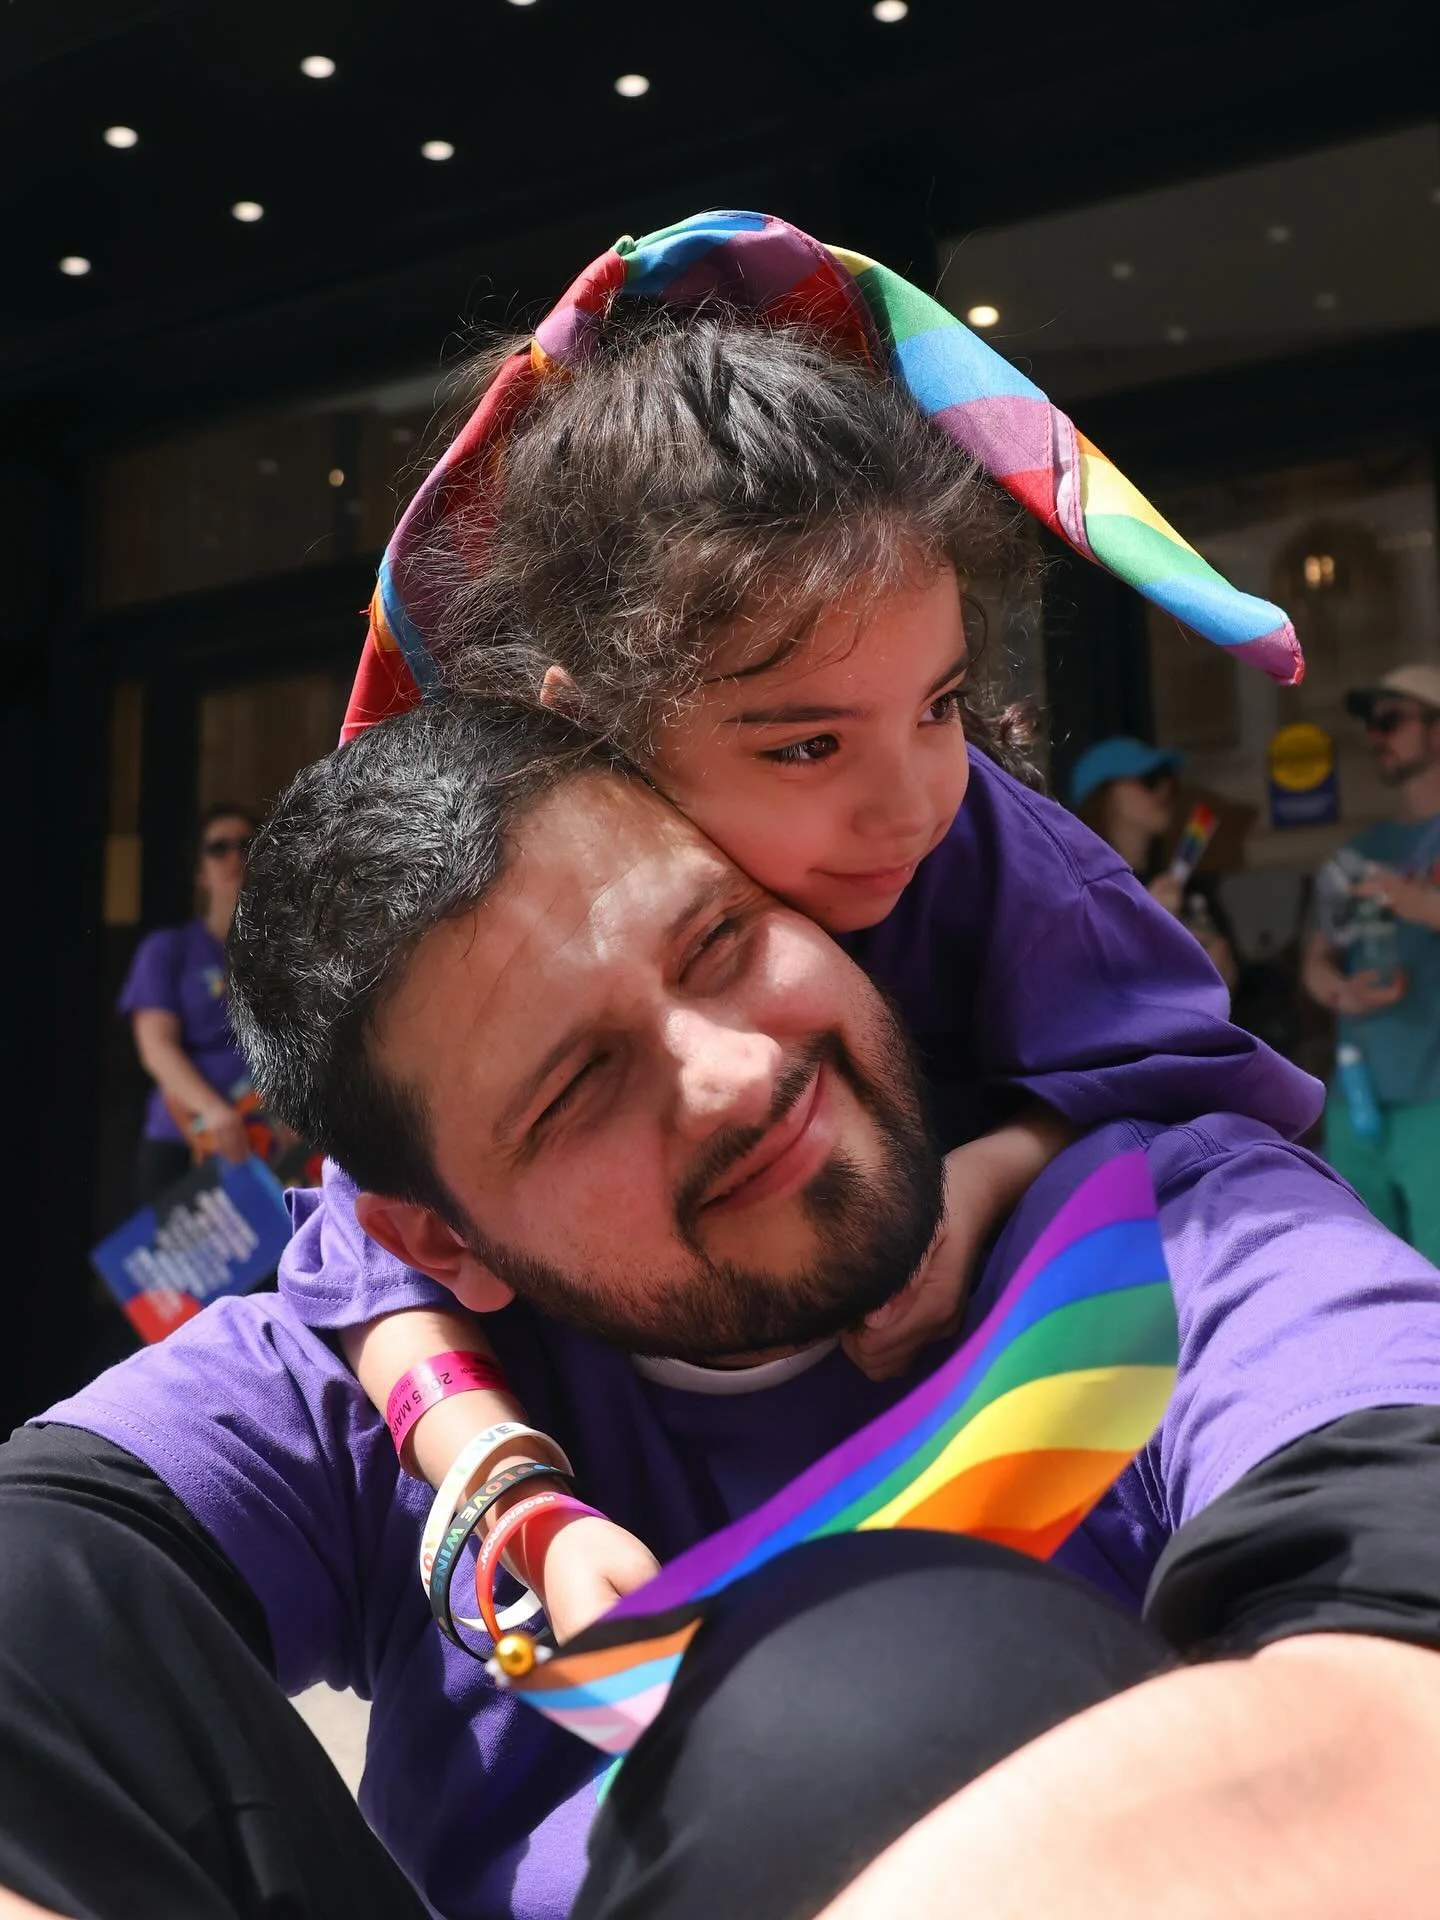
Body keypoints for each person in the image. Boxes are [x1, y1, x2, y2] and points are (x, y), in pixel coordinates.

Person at [6, 697, 1440, 1920]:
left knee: (874, 1698)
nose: (735, 1073)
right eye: (578, 1091)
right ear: (438, 1236)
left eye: (720, 942)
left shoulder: (1187, 1235)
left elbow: (1405, 1662)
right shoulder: (363, 1387)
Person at [283, 213, 1315, 1640]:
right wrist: (515, 1496)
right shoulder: (501, 914)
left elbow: (1197, 1088)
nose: (912, 807)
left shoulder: (1005, 857)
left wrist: (988, 1177)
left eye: (942, 707)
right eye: (807, 748)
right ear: (591, 727)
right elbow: (368, 1244)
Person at [1301, 663, 1440, 1263]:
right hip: (1358, 1102)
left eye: (1391, 720)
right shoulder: (1359, 851)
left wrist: (1418, 903)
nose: (1375, 736)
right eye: (1370, 724)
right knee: (1367, 1274)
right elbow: (1315, 961)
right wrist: (1340, 993)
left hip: (1432, 1103)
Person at [116, 803, 259, 1201]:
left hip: (276, 1148)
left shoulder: (284, 955)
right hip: (185, 1138)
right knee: (176, 1263)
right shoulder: (168, 948)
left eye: (247, 845)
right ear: (199, 872)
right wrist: (214, 1112)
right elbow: (156, 1047)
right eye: (219, 848)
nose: (235, 857)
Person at [1069, 735, 1239, 991]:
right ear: (1106, 796)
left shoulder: (1188, 889)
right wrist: (1147, 923)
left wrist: (1224, 976)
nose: (1165, 788)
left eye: (1169, 780)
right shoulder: (1080, 894)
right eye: (1149, 780)